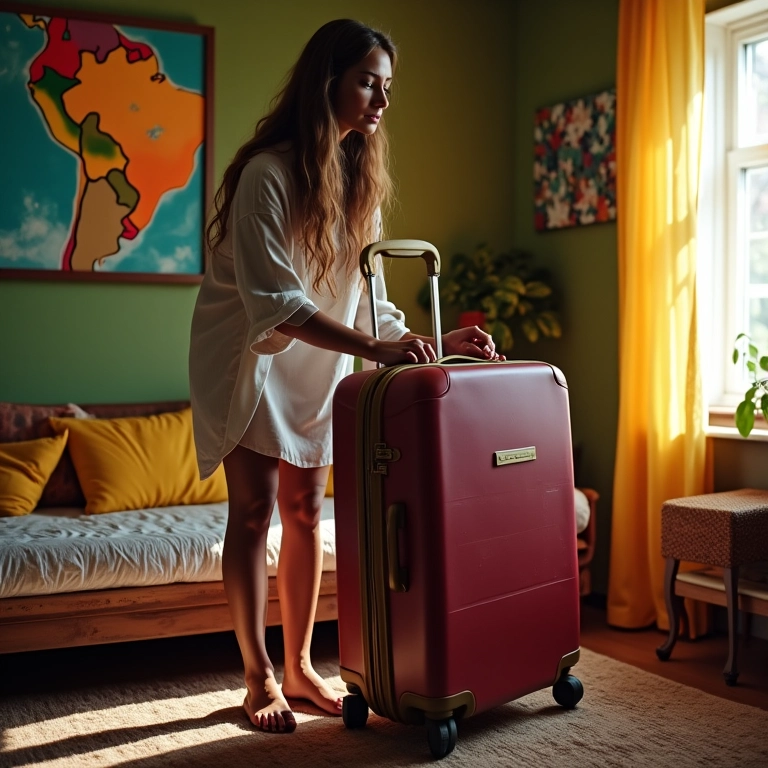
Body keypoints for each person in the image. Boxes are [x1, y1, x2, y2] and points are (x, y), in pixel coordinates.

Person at [188, 18, 504, 735]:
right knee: (254, 510)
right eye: (368, 81)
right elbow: (276, 304)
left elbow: (372, 299)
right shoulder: (266, 174)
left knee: (306, 513)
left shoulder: (360, 184)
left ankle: (299, 665)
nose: (381, 100)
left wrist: (431, 339)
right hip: (250, 355)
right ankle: (257, 674)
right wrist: (372, 345)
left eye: (387, 86)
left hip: (319, 355)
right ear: (326, 79)